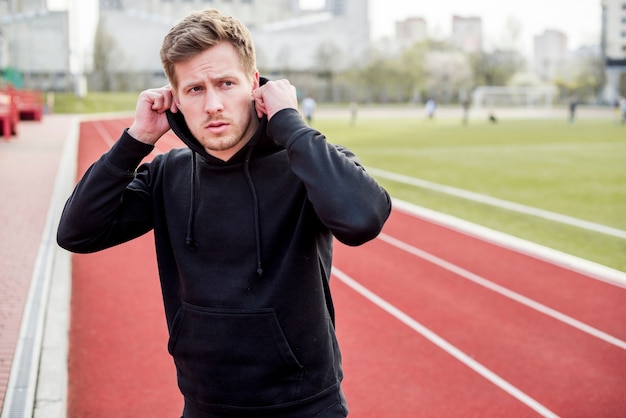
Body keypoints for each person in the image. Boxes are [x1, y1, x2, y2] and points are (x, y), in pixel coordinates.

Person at [56, 8, 391, 418]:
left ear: (254, 85)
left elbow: (362, 220)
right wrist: (137, 139)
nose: (213, 104)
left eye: (226, 83)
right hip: (204, 406)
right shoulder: (167, 175)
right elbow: (76, 233)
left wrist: (289, 123)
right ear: (175, 99)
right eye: (195, 89)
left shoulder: (306, 164)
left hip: (305, 406)